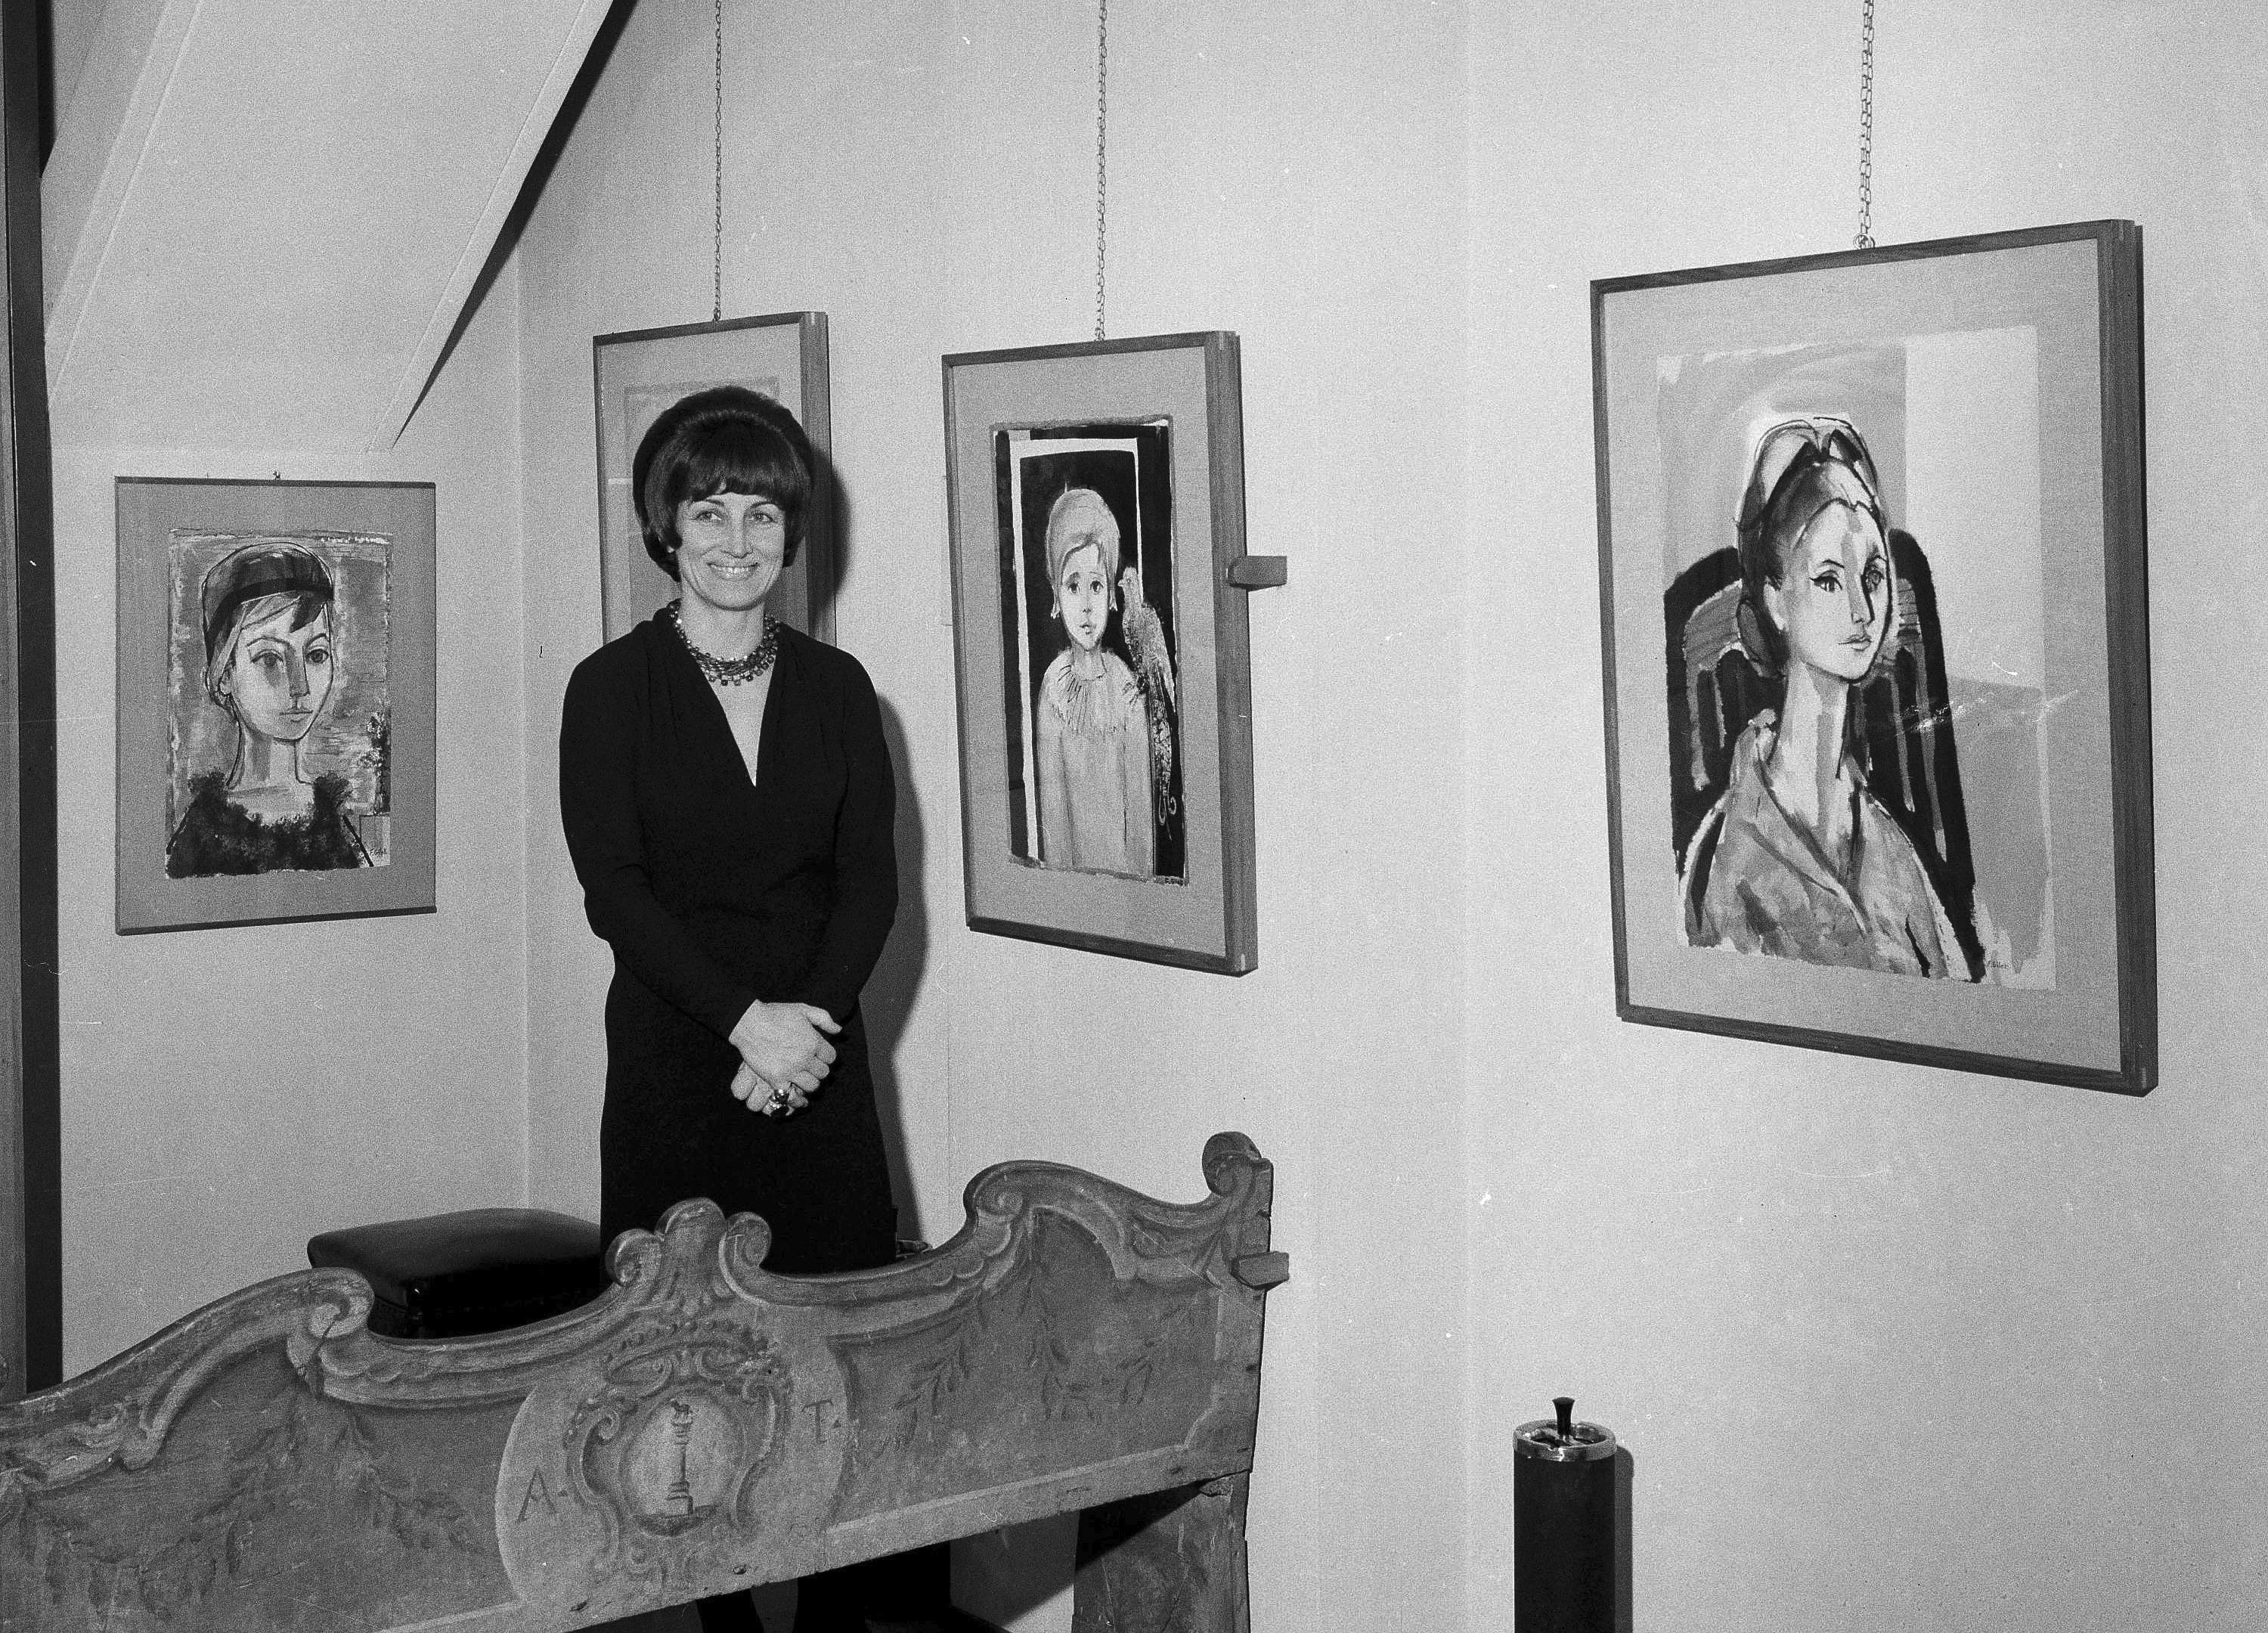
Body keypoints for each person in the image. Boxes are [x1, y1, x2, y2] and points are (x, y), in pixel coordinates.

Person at [561, 386, 928, 1633]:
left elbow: (871, 884)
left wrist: (804, 1029)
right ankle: (714, 1616)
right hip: (680, 1068)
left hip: (815, 1074)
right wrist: (744, 1026)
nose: (733, 538)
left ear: (789, 528)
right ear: (667, 524)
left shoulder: (839, 689)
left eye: (759, 510)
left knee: (833, 1362)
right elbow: (617, 893)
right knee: (682, 1376)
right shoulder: (609, 689)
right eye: (708, 509)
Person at [1681, 417, 1971, 980]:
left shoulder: (1884, 839)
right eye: (1830, 581)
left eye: (1874, 575)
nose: (1864, 612)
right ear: (1776, 602)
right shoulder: (1733, 852)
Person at [167, 539, 371, 875]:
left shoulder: (331, 820)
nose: (300, 686)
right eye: (270, 658)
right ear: (224, 675)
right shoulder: (204, 833)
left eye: (316, 655)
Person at [1034, 487, 1154, 876]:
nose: (1086, 604)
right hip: (1072, 897)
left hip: (1129, 898)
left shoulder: (1128, 690)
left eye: (1097, 585)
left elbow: (1140, 817)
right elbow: (1053, 818)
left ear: (1113, 596)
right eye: (1073, 586)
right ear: (1056, 595)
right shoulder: (1053, 691)